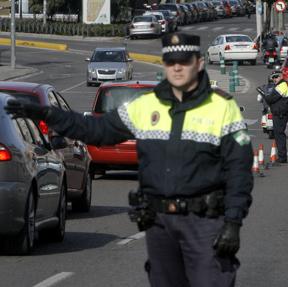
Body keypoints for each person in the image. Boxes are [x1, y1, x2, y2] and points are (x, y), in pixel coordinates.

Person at [5, 32, 253, 287]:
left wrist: (233, 222)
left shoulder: (222, 107)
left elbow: (239, 170)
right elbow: (95, 130)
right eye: (171, 62)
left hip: (205, 224)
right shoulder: (146, 106)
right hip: (160, 224)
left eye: (185, 61)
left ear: (199, 63)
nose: (177, 68)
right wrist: (47, 113)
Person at [263, 70, 288, 163]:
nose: (274, 79)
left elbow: (271, 98)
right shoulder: (279, 85)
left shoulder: (282, 86)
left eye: (276, 77)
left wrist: (264, 94)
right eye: (273, 77)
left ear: (281, 76)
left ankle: (282, 157)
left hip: (280, 115)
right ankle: (282, 156)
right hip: (278, 114)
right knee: (278, 135)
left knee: (279, 136)